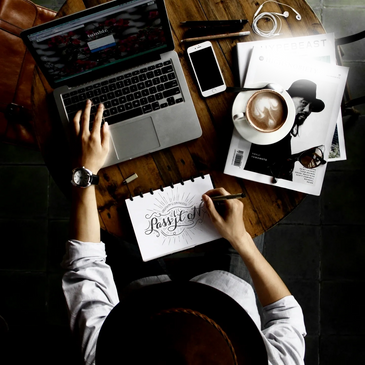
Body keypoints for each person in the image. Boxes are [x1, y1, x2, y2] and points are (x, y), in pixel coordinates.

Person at [61, 100, 306, 365]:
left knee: (114, 215)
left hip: (143, 297)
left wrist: (85, 172)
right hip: (229, 288)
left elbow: (84, 265)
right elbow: (285, 314)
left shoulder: (104, 354)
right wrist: (241, 239)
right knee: (245, 195)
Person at [244, 79, 325, 181]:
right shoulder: (269, 130)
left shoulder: (285, 135)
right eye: (304, 103)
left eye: (311, 106)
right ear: (288, 99)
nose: (308, 110)